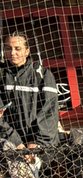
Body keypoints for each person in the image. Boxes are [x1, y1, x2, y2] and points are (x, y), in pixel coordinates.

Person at [1, 31, 60, 169]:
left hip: (40, 145)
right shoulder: (1, 75)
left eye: (18, 48)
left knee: (35, 175)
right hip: (8, 142)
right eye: (8, 48)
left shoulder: (43, 75)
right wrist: (16, 143)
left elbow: (49, 113)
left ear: (27, 51)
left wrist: (35, 144)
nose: (12, 53)